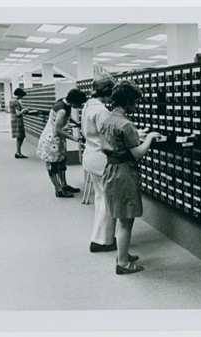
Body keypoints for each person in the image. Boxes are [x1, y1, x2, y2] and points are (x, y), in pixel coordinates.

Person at [99, 80, 161, 274]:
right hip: (124, 173)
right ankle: (123, 264)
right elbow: (138, 153)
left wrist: (136, 135)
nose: (135, 106)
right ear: (127, 101)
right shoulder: (126, 124)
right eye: (134, 102)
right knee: (127, 220)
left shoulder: (108, 119)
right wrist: (150, 137)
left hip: (110, 169)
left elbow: (119, 142)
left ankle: (122, 254)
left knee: (120, 216)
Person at [81, 73, 118, 252]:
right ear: (109, 91)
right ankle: (103, 241)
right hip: (101, 159)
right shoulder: (101, 110)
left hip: (90, 156)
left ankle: (99, 237)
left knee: (100, 198)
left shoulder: (88, 105)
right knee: (108, 200)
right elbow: (109, 137)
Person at [37, 88, 87, 198]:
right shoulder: (62, 110)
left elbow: (67, 118)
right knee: (53, 166)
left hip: (58, 140)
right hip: (51, 141)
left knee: (62, 163)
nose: (79, 106)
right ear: (75, 101)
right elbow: (58, 130)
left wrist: (76, 123)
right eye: (79, 104)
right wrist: (74, 138)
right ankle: (58, 189)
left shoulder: (64, 102)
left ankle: (64, 185)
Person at [8, 88, 28, 159]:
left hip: (13, 119)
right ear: (19, 95)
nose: (22, 97)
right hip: (17, 121)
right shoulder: (16, 101)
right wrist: (23, 110)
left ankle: (18, 152)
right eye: (22, 96)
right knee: (20, 137)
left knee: (19, 137)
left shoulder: (11, 100)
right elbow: (18, 113)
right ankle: (18, 153)